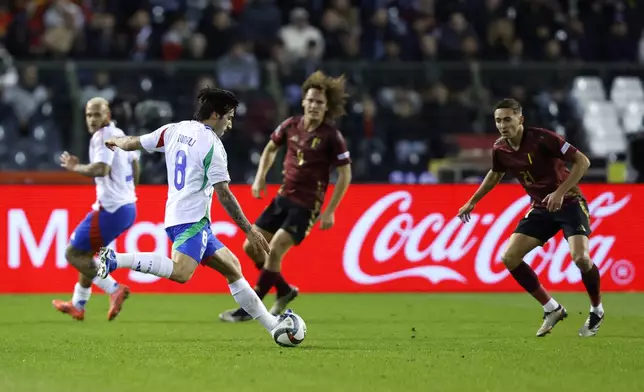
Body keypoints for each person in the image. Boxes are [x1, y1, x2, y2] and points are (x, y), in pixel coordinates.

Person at [96, 87, 279, 334]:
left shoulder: (175, 129)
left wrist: (116, 141)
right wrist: (249, 230)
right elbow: (224, 193)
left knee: (233, 267)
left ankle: (273, 326)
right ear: (216, 115)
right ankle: (117, 259)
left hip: (176, 217)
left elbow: (134, 142)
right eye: (230, 117)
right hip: (192, 219)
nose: (230, 125)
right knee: (181, 272)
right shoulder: (213, 145)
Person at [457, 98, 603, 337]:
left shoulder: (543, 138)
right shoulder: (500, 148)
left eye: (507, 119)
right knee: (510, 257)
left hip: (569, 203)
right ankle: (551, 308)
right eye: (498, 120)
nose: (502, 125)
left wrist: (560, 192)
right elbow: (495, 174)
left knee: (581, 259)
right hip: (540, 208)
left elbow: (582, 162)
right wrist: (472, 201)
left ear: (520, 119)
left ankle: (596, 309)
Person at [219, 70, 352, 322]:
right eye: (310, 100)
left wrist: (331, 209)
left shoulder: (332, 137)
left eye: (319, 103)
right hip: (282, 198)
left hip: (306, 206)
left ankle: (251, 306)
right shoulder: (291, 125)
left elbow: (345, 174)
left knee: (277, 247)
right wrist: (260, 178)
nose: (314, 105)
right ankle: (284, 290)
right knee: (251, 246)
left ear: (326, 107)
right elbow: (270, 149)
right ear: (303, 101)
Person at [52, 97, 136, 321]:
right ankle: (78, 304)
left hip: (111, 209)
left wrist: (74, 166)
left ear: (107, 115)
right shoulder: (120, 133)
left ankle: (114, 288)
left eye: (97, 114)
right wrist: (127, 190)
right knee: (86, 255)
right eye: (89, 115)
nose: (92, 119)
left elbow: (101, 168)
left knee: (72, 253)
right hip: (127, 207)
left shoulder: (103, 136)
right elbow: (136, 165)